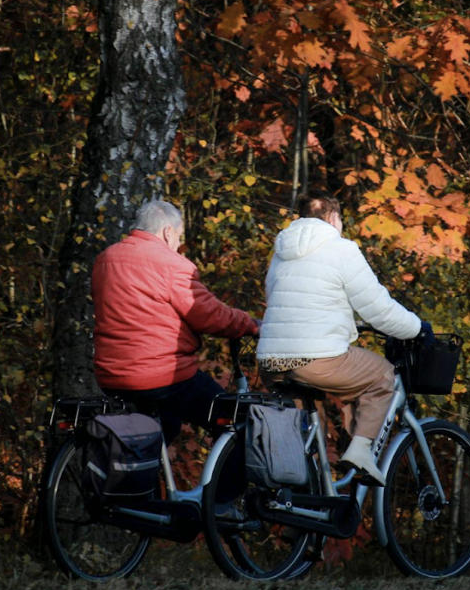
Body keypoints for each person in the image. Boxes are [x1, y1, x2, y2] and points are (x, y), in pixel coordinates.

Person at [256, 191, 429, 485]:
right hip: (315, 361)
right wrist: (417, 328)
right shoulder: (342, 249)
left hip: (270, 361)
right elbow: (377, 308)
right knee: (382, 375)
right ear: (334, 217)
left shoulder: (280, 252)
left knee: (311, 429)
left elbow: (280, 302)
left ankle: (310, 496)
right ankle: (361, 451)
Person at [91, 199, 259, 450]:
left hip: (110, 375)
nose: (178, 244)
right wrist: (250, 324)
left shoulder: (105, 259)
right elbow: (209, 315)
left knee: (165, 425)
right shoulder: (172, 264)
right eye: (179, 236)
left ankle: (149, 474)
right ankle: (225, 478)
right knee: (231, 418)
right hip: (160, 376)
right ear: (168, 232)